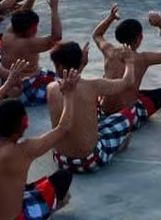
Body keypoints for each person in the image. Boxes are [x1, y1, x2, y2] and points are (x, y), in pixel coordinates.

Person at [0, 61, 78, 220]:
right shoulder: (24, 149)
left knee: (19, 188)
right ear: (23, 124)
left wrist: (7, 84)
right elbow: (65, 128)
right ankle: (46, 211)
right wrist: (69, 95)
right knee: (63, 178)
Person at [47, 41, 138, 173]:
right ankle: (116, 146)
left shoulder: (50, 88)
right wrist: (130, 61)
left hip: (61, 160)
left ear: (59, 66)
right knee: (127, 115)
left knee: (97, 122)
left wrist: (81, 65)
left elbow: (72, 82)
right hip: (90, 161)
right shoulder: (94, 86)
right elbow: (128, 82)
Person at [92, 5, 161, 122]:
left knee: (125, 88)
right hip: (125, 116)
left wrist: (110, 18)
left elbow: (97, 35)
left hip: (104, 110)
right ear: (139, 38)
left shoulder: (109, 50)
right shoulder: (142, 59)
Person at [0, 0, 62, 105]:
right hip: (25, 86)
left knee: (59, 76)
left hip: (8, 80)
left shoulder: (8, 34)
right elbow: (56, 37)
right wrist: (54, 9)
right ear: (32, 29)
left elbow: (18, 15)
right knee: (64, 88)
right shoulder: (29, 43)